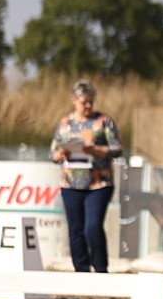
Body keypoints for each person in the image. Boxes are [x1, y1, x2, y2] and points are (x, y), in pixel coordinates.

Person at [50, 80, 123, 273]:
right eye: (84, 102)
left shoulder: (104, 121)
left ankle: (100, 269)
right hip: (71, 184)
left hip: (99, 184)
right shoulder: (65, 123)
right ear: (74, 100)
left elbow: (117, 149)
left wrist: (95, 150)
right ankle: (81, 271)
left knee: (93, 227)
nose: (89, 106)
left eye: (91, 101)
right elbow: (53, 154)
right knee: (76, 230)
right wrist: (62, 154)